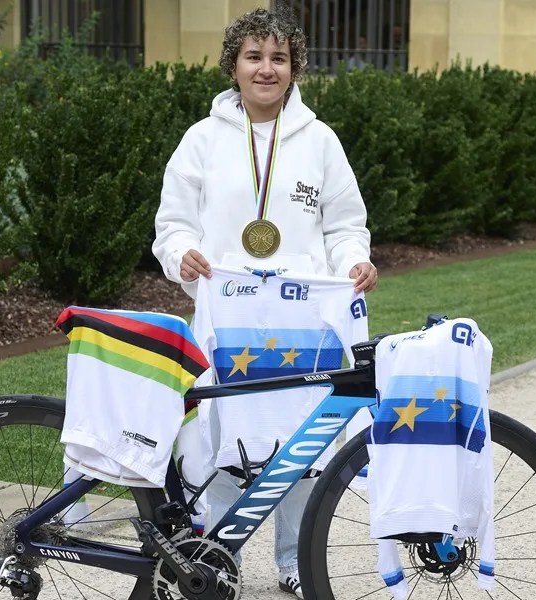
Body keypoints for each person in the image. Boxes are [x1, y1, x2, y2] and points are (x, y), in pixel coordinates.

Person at [152, 6, 377, 598]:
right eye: (253, 56)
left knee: (303, 441)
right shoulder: (201, 140)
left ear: (295, 67)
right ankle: (215, 558)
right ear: (233, 66)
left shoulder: (320, 141)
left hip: (303, 322)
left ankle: (295, 560)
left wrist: (353, 261)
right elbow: (172, 223)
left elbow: (344, 224)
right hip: (227, 319)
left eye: (279, 57)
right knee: (222, 436)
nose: (266, 69)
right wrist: (182, 255)